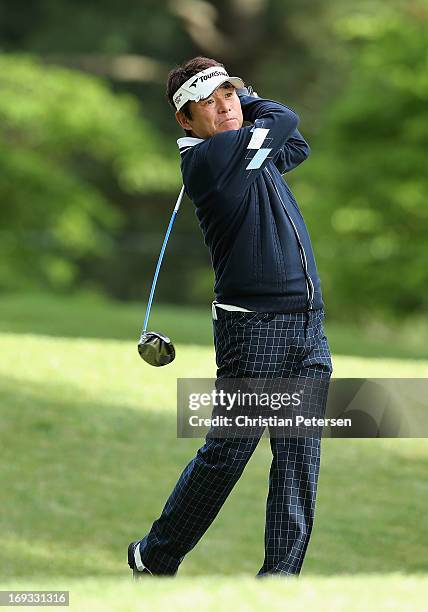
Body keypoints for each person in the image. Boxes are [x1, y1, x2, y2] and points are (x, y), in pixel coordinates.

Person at [128, 56, 333, 578]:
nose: (226, 107)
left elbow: (297, 145)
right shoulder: (210, 160)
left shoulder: (247, 153)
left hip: (306, 323)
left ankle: (279, 580)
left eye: (228, 95)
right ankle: (156, 555)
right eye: (211, 102)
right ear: (185, 121)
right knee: (228, 456)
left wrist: (240, 104)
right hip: (254, 328)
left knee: (299, 456)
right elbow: (285, 119)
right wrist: (248, 98)